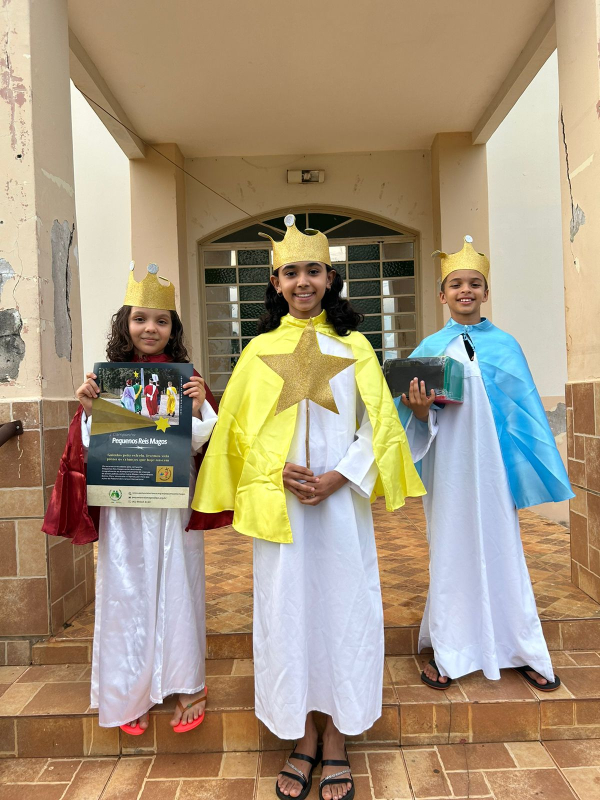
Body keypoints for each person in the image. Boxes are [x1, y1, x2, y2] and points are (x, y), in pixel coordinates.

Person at [192, 216, 424, 800]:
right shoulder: (257, 352)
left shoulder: (355, 347)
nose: (303, 282)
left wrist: (341, 476)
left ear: (330, 278)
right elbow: (237, 435)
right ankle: (301, 735)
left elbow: (379, 427)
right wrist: (275, 471)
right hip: (283, 512)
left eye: (313, 271)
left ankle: (338, 735)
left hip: (340, 510)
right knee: (288, 614)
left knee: (344, 613)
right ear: (275, 282)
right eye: (291, 272)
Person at [42, 262, 231, 735]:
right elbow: (87, 449)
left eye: (161, 321)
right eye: (141, 318)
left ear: (173, 328)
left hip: (172, 501)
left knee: (179, 585)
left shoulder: (187, 379)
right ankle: (129, 688)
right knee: (126, 590)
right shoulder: (107, 380)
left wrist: (195, 410)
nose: (150, 328)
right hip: (125, 504)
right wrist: (90, 411)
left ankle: (187, 682)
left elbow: (205, 446)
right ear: (125, 323)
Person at [397, 236, 573, 693]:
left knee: (503, 550)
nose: (465, 290)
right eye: (456, 284)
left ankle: (522, 647)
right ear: (442, 295)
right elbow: (414, 418)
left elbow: (524, 414)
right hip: (449, 470)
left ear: (486, 292)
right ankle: (450, 650)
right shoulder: (429, 348)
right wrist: (419, 411)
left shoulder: (506, 346)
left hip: (495, 469)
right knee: (450, 550)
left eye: (474, 283)